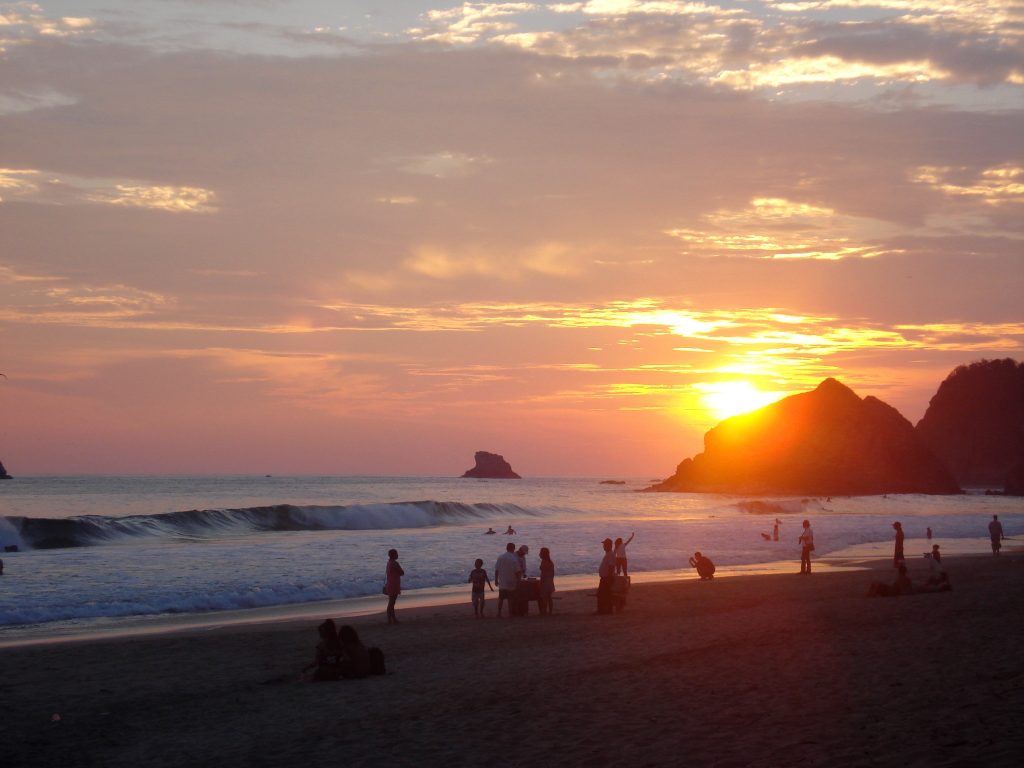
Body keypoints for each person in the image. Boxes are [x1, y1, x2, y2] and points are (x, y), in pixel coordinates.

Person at [494, 542, 521, 617]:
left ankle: (499, 613)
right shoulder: (514, 559)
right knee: (510, 598)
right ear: (513, 549)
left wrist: (496, 579)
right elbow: (517, 571)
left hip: (502, 581)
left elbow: (496, 570)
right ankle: (510, 613)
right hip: (511, 581)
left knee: (501, 598)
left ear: (506, 548)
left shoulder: (500, 557)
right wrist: (519, 580)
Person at [384, 548, 404, 625]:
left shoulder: (388, 562)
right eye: (396, 554)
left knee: (391, 602)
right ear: (394, 555)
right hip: (394, 584)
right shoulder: (395, 563)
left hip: (390, 584)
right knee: (391, 603)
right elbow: (402, 573)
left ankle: (392, 619)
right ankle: (391, 620)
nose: (397, 555)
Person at [597, 538, 616, 614]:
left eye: (605, 545)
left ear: (609, 545)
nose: (603, 546)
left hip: (606, 578)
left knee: (603, 594)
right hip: (605, 577)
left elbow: (611, 566)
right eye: (604, 545)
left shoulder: (610, 554)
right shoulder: (609, 554)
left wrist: (608, 577)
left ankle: (604, 610)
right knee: (604, 594)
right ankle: (604, 610)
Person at [538, 547, 555, 616]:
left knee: (544, 597)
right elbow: (553, 573)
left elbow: (543, 574)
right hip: (550, 580)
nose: (539, 554)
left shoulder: (544, 562)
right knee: (549, 597)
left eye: (540, 553)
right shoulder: (550, 561)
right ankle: (550, 612)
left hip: (545, 581)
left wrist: (541, 582)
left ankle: (544, 611)